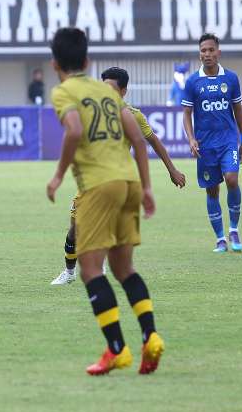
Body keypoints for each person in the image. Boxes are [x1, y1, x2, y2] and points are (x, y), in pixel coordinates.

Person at [46, 28, 164, 376]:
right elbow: (139, 141)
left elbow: (74, 130)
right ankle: (150, 336)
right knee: (124, 269)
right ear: (87, 61)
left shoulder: (64, 91)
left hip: (98, 186)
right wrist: (146, 187)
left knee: (91, 270)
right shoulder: (107, 92)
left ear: (55, 64)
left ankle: (116, 349)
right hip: (128, 182)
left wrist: (57, 176)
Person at [51, 66, 186, 286]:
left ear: (124, 91)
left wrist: (172, 170)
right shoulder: (91, 110)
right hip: (89, 180)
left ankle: (100, 267)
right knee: (74, 229)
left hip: (116, 180)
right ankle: (69, 272)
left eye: (112, 88)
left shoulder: (132, 115)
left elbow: (152, 142)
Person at [181, 33, 242, 253]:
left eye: (211, 50)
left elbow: (238, 110)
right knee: (212, 190)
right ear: (199, 54)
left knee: (231, 179)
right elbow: (187, 113)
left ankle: (234, 229)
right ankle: (220, 238)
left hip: (228, 141)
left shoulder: (230, 79)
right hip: (205, 145)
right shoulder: (192, 81)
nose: (207, 54)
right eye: (203, 50)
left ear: (218, 52)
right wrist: (191, 138)